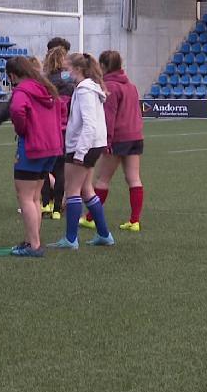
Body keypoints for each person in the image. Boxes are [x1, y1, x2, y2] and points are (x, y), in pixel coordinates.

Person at [50, 52, 115, 249]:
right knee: (87, 190)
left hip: (83, 145)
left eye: (67, 68)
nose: (65, 72)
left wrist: (80, 152)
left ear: (78, 70)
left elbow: (89, 124)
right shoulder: (89, 89)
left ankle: (71, 239)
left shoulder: (85, 90)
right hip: (92, 145)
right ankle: (104, 234)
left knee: (72, 190)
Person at [6, 56, 62, 258]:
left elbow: (17, 110)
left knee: (25, 196)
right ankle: (33, 239)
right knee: (36, 196)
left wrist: (22, 130)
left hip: (32, 146)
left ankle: (34, 244)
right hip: (51, 147)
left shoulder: (22, 90)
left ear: (13, 75)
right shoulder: (46, 87)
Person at [87, 50, 145, 232]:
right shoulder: (131, 85)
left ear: (103, 66)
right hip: (135, 136)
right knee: (134, 178)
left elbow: (108, 117)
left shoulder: (110, 86)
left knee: (102, 179)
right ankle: (135, 221)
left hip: (118, 138)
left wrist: (107, 141)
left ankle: (90, 217)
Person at [0, 36, 71, 131]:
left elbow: (16, 107)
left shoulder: (39, 81)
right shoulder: (67, 81)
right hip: (60, 132)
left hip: (43, 131)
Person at [40, 46, 74, 220]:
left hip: (47, 131)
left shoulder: (44, 82)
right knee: (60, 169)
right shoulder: (70, 84)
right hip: (65, 131)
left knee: (44, 168)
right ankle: (57, 209)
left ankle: (46, 203)